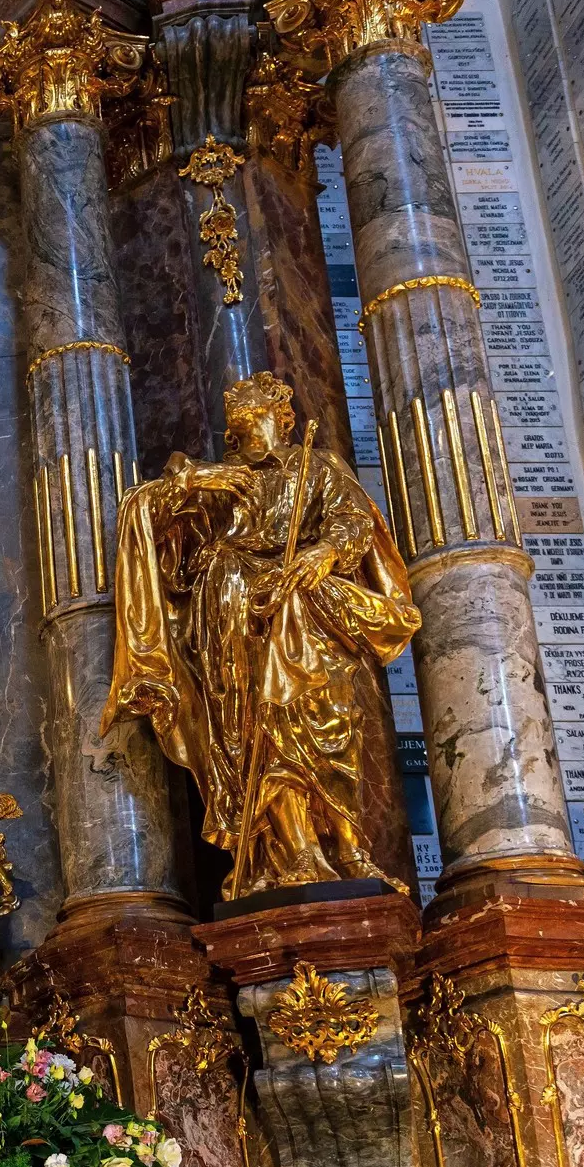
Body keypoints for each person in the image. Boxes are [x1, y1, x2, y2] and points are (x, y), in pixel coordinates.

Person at [103, 371, 420, 898]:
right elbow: (143, 512)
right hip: (232, 618)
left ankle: (350, 848)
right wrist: (197, 478)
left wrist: (322, 554)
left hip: (308, 610)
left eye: (253, 412)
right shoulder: (223, 480)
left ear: (282, 414)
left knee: (330, 719)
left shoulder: (317, 466)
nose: (243, 424)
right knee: (256, 730)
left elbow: (354, 522)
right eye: (236, 419)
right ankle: (296, 851)